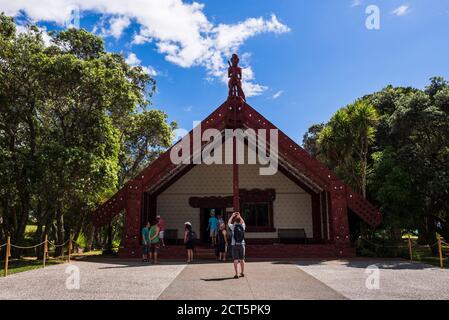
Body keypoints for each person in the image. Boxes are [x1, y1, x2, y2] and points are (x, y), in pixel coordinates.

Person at [228, 212, 246, 278]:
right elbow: (243, 222)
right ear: (240, 221)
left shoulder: (233, 227)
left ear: (235, 221)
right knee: (242, 259)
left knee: (235, 260)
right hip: (242, 244)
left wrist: (232, 216)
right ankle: (242, 272)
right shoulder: (243, 226)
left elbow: (228, 223)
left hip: (234, 244)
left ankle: (237, 274)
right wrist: (240, 216)